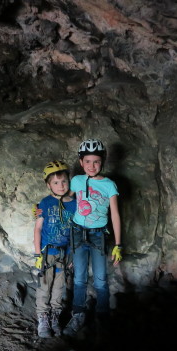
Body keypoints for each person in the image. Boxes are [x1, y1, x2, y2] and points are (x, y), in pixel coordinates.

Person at [63, 139, 122, 337]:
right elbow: (67, 201)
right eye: (87, 161)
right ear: (81, 162)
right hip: (78, 233)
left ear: (102, 161)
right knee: (79, 278)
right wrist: (44, 207)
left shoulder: (109, 185)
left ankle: (102, 316)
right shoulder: (77, 181)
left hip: (98, 236)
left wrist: (119, 245)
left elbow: (115, 214)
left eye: (96, 161)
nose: (91, 166)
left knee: (100, 280)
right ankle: (78, 313)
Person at [33, 160, 77, 338]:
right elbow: (37, 228)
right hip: (47, 253)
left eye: (64, 181)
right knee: (45, 286)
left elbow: (75, 230)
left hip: (64, 253)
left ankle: (55, 317)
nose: (61, 185)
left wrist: (72, 255)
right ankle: (43, 318)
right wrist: (37, 253)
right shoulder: (44, 203)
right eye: (56, 183)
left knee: (59, 287)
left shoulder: (74, 204)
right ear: (48, 185)